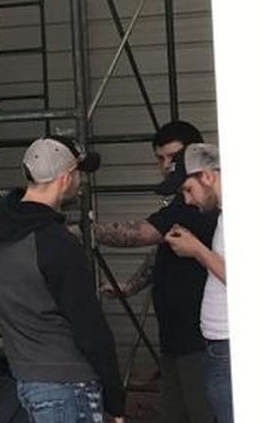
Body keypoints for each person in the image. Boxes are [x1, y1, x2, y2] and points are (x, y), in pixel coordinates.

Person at [0, 135, 125, 423]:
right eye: (79, 173)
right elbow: (89, 327)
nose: (81, 181)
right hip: (68, 383)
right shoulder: (56, 242)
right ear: (65, 178)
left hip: (29, 378)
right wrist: (116, 400)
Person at [90, 121, 216, 423]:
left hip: (198, 339)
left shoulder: (201, 204)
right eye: (160, 159)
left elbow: (144, 233)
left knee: (201, 413)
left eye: (174, 157)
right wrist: (131, 285)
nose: (167, 166)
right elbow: (164, 246)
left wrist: (85, 229)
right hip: (175, 338)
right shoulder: (185, 200)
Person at [158, 143, 232, 423]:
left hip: (228, 347)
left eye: (189, 189)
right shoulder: (225, 215)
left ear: (208, 176)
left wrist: (197, 250)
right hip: (219, 346)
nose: (188, 201)